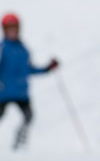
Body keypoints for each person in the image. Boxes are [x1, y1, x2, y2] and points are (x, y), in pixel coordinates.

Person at [0, 13, 59, 150]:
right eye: (9, 28)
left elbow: (29, 69)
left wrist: (47, 68)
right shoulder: (2, 49)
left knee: (29, 116)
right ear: (4, 29)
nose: (12, 31)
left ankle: (20, 141)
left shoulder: (23, 49)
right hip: (4, 92)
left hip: (21, 92)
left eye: (14, 28)